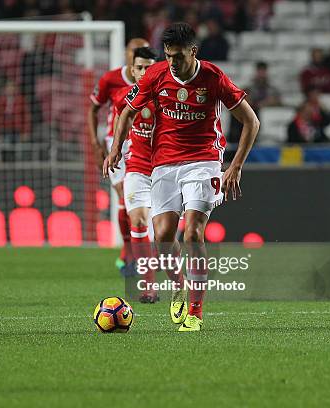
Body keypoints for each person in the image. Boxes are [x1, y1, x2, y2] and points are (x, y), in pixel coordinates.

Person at [105, 23, 259, 332]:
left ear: (193, 51)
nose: (172, 62)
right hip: (163, 164)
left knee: (192, 233)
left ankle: (196, 313)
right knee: (162, 237)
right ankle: (180, 284)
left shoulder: (213, 78)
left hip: (203, 161)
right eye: (168, 55)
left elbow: (250, 121)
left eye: (177, 56)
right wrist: (115, 149)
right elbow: (126, 111)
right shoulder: (155, 75)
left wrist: (236, 165)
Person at [88, 37, 149, 274]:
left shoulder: (155, 81)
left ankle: (139, 253)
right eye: (133, 53)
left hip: (145, 141)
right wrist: (95, 143)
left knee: (137, 201)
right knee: (124, 194)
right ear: (127, 56)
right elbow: (93, 109)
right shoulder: (110, 79)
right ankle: (129, 251)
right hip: (117, 143)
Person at [110, 46, 158, 303]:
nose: (143, 72)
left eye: (148, 67)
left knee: (164, 233)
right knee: (138, 221)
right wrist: (114, 153)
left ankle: (179, 281)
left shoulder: (169, 96)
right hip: (137, 168)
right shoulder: (122, 98)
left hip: (167, 170)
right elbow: (119, 128)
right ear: (132, 69)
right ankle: (147, 286)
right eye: (139, 67)